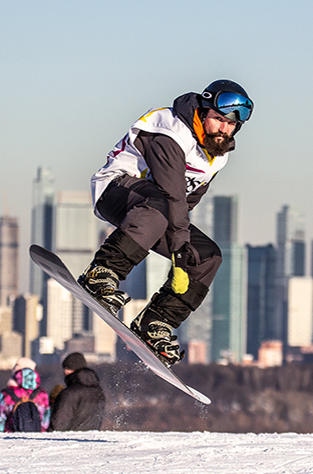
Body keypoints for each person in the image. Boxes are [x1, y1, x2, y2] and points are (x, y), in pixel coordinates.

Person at [78, 79, 254, 364]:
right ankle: (102, 273)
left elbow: (187, 202)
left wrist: (184, 256)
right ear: (202, 111)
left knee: (208, 257)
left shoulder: (217, 156)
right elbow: (172, 194)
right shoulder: (170, 131)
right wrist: (178, 247)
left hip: (156, 212)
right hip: (116, 191)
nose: (224, 129)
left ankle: (157, 321)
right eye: (218, 120)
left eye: (230, 125)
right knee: (163, 206)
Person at [50, 352, 105, 431]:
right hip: (90, 439)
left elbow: (58, 425)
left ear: (68, 371)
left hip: (70, 441)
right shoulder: (98, 391)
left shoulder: (69, 393)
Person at [0, 357, 50, 432]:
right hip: (36, 436)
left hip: (11, 436)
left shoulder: (6, 394)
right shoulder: (42, 393)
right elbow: (45, 421)